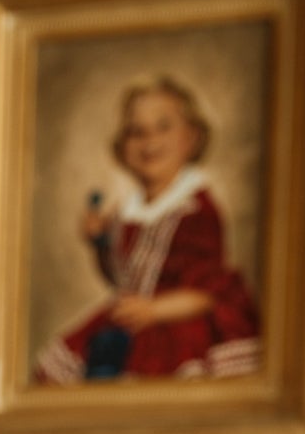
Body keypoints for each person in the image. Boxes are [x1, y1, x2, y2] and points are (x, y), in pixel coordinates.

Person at [36, 75, 260, 386]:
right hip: (135, 318)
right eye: (136, 132)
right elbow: (123, 277)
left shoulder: (194, 210)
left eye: (163, 127)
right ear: (123, 148)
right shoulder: (129, 211)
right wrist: (101, 243)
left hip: (176, 324)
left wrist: (155, 309)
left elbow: (209, 294)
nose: (149, 141)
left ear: (191, 138)